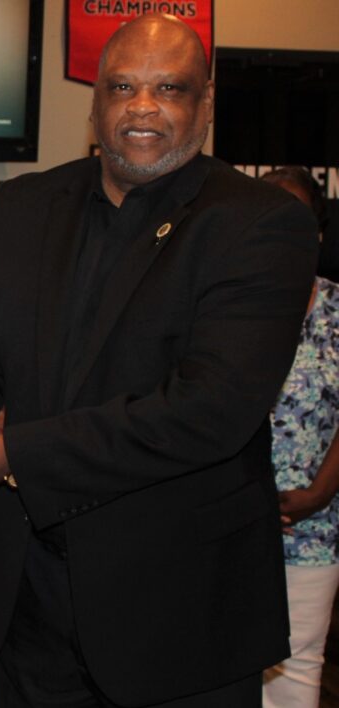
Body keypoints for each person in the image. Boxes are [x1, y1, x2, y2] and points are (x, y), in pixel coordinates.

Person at [0, 14, 320, 707]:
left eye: (169, 89)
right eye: (122, 86)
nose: (142, 106)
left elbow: (208, 412)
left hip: (179, 616)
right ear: (96, 105)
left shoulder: (260, 224)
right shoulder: (21, 206)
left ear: (205, 106)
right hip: (26, 603)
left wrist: (10, 456)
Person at [260, 166, 339, 708]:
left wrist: (318, 494)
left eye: (298, 220)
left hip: (310, 525)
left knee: (295, 672)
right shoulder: (221, 305)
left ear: (317, 232)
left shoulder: (337, 310)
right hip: (222, 520)